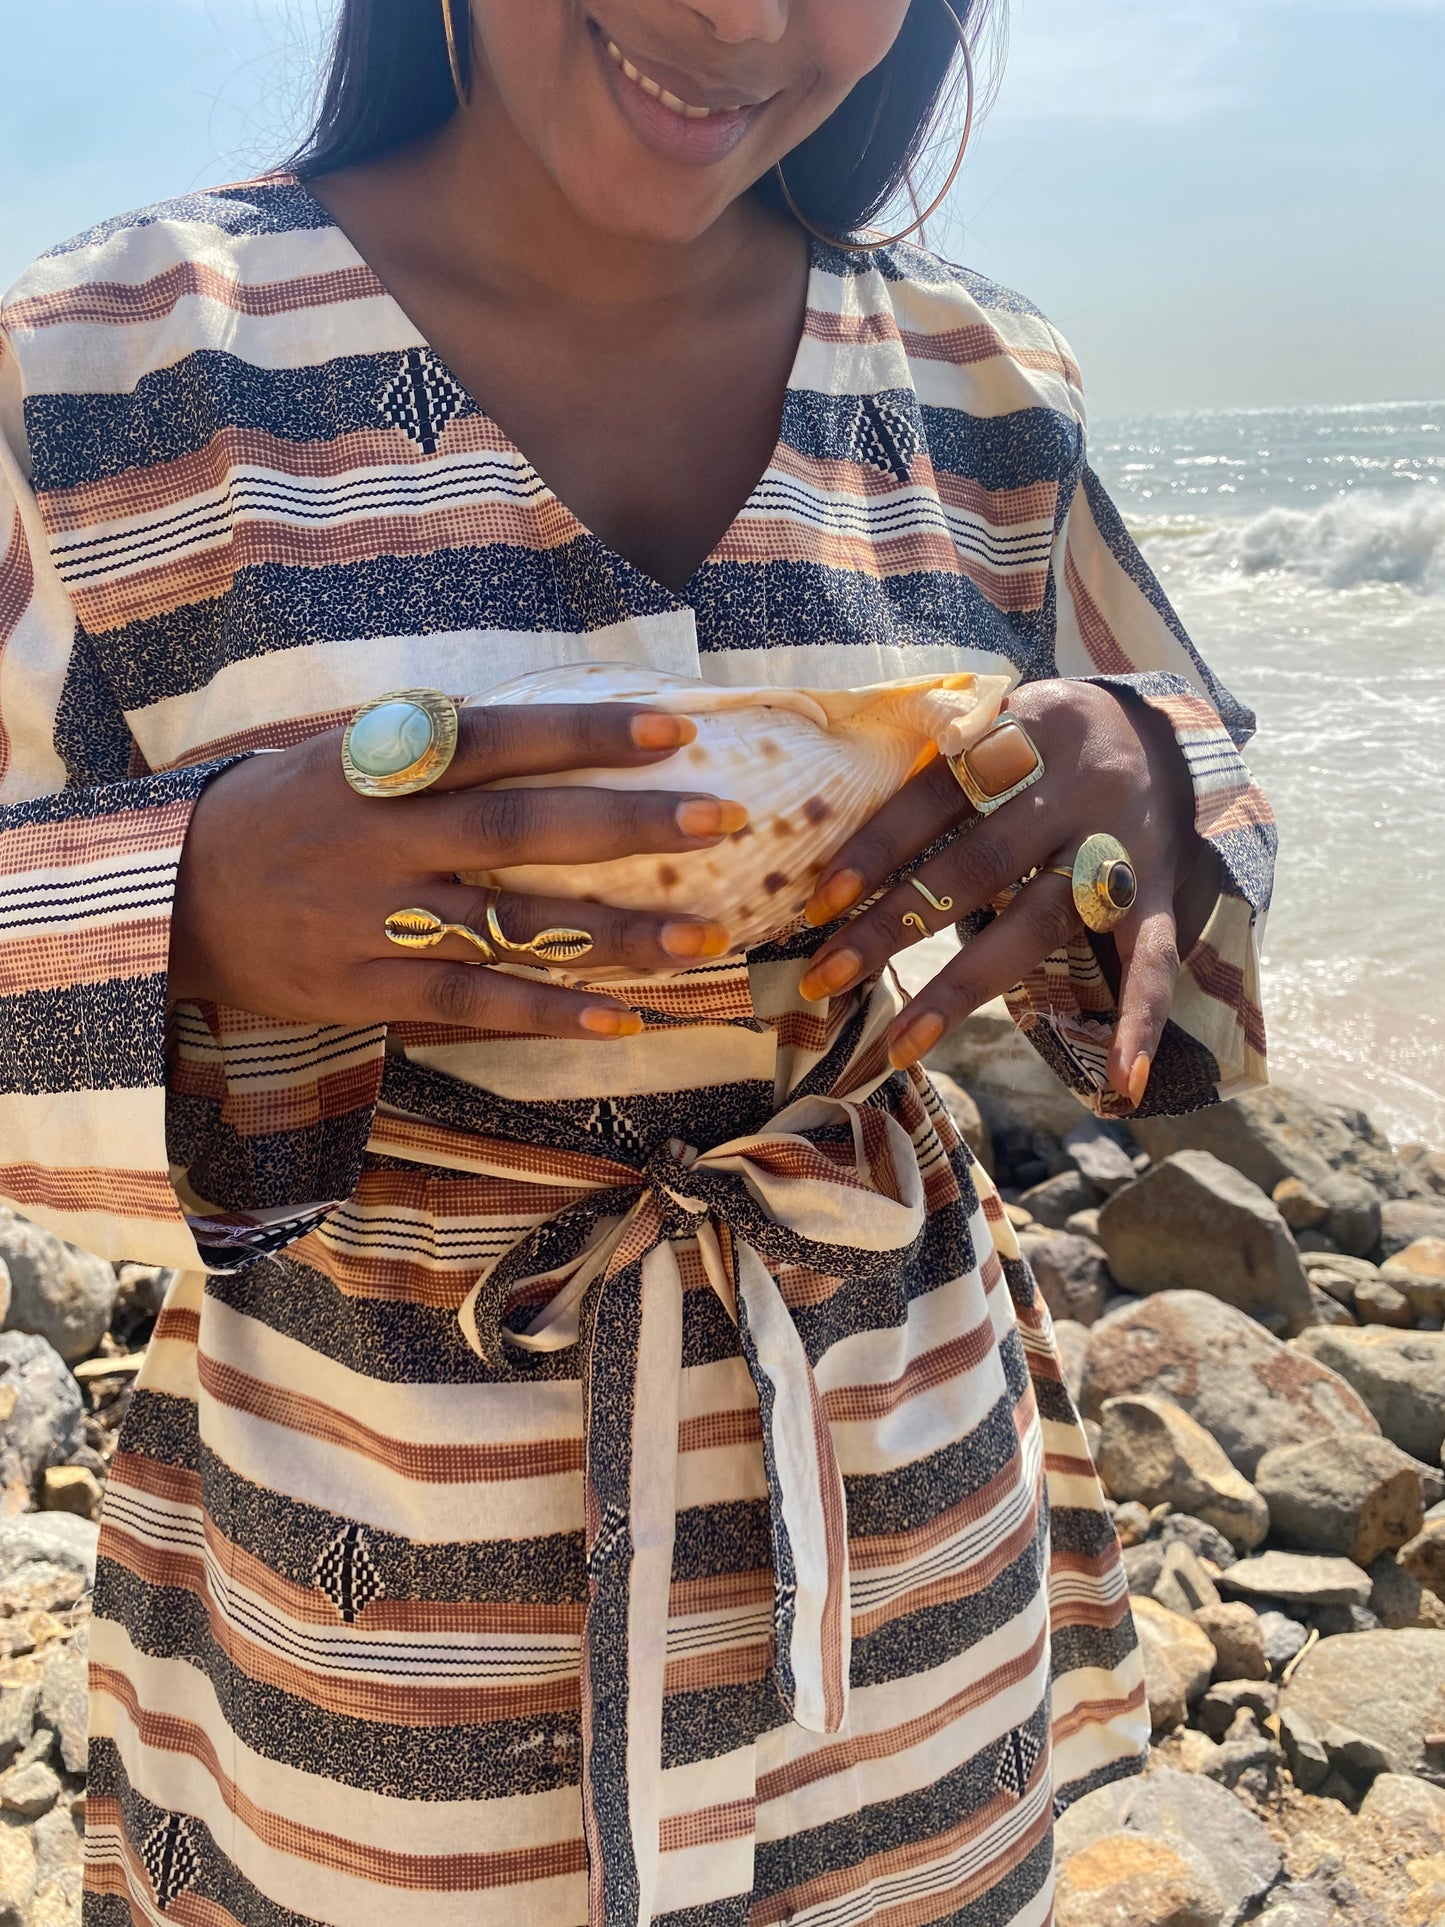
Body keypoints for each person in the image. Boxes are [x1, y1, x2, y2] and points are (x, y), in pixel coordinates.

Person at [0, 3, 1276, 1922]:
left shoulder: (979, 383)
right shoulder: (108, 369)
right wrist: (193, 905)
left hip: (900, 1580)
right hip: (371, 1628)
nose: (743, 17)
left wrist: (1149, 794)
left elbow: (1172, 928)